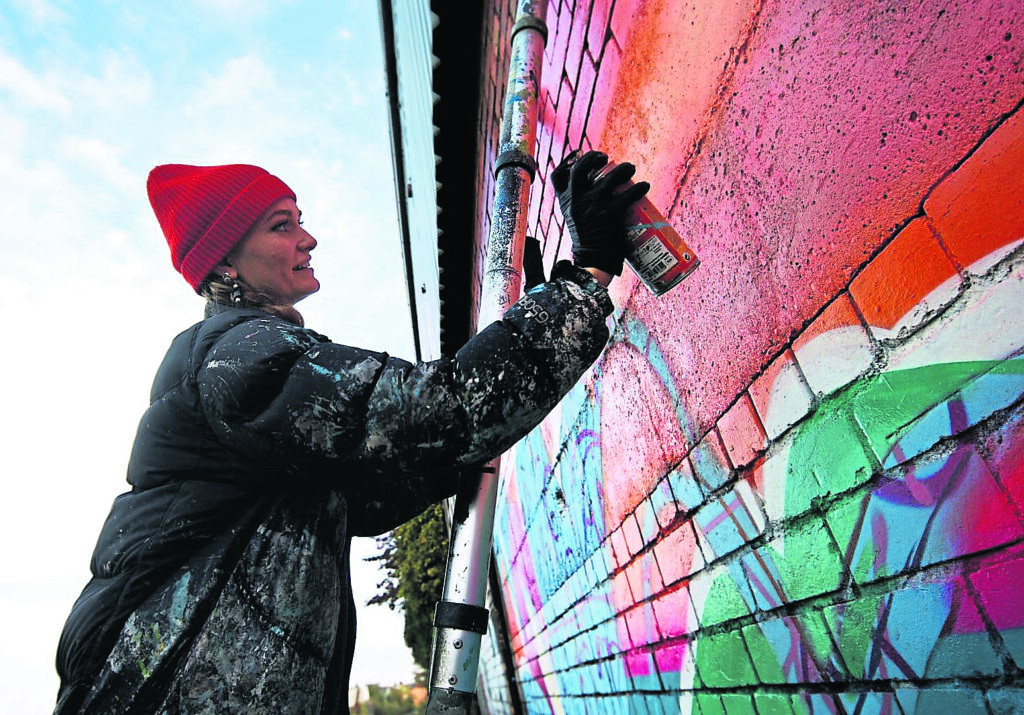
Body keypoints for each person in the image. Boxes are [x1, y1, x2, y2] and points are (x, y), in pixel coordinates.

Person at [54, 151, 649, 713]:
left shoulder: (237, 358)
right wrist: (584, 277)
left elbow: (374, 488)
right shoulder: (238, 355)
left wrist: (536, 323)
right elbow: (445, 414)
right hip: (165, 682)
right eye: (280, 226)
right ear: (227, 261)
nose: (307, 239)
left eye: (299, 221)